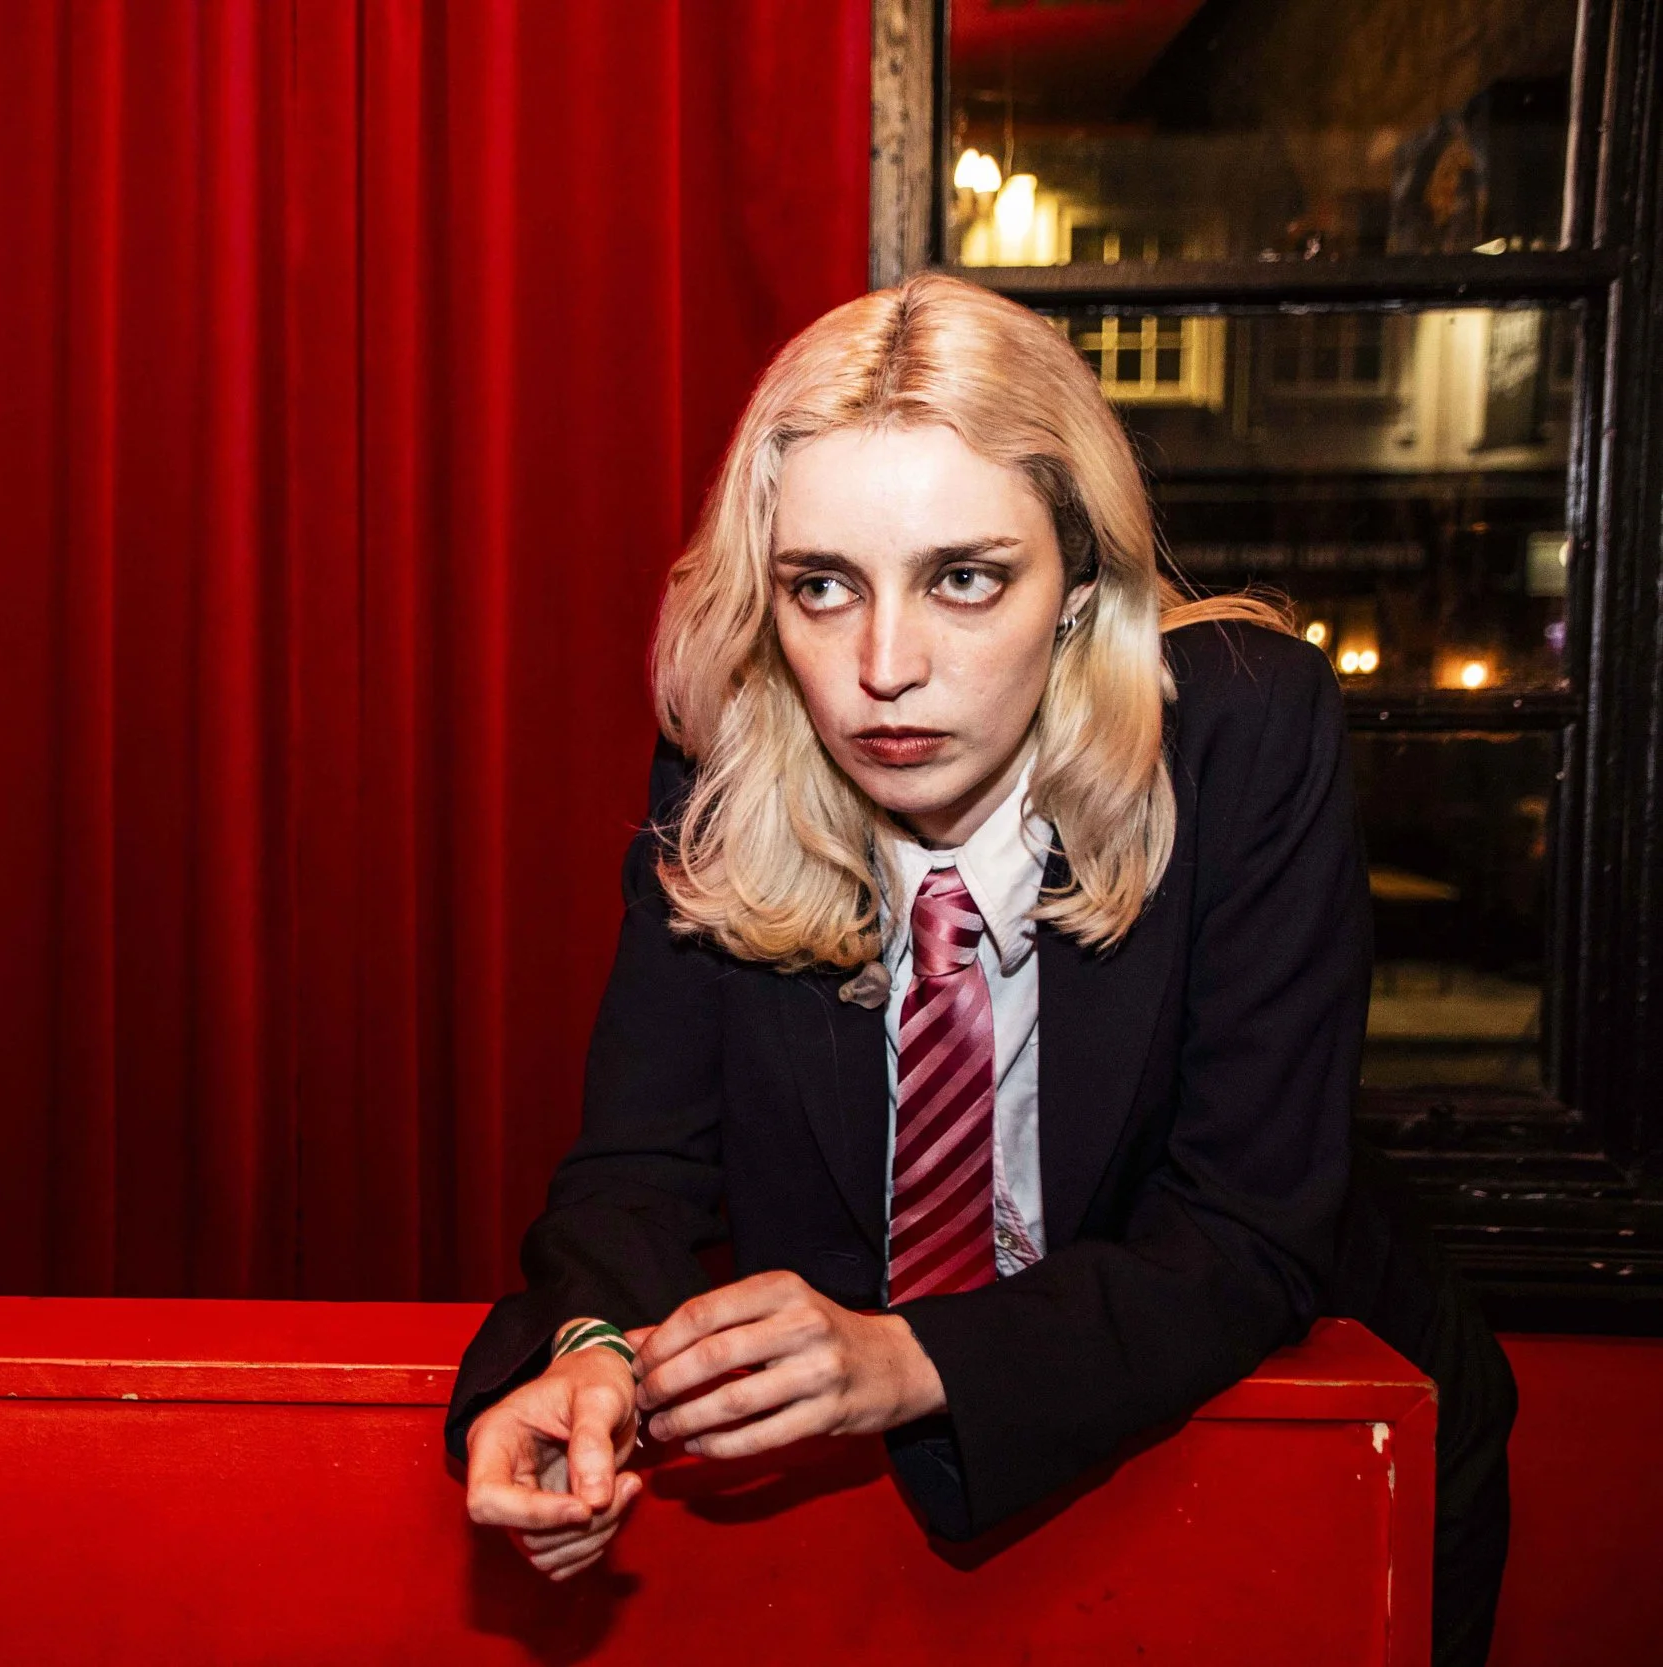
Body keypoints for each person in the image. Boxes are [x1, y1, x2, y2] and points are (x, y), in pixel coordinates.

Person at [448, 273, 1515, 1666]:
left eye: (965, 577)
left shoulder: (1245, 734)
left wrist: (911, 1358)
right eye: (822, 586)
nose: (884, 666)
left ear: (1079, 584)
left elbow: (1246, 1231)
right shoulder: (724, 766)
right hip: (900, 1519)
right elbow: (636, 1166)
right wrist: (593, 1348)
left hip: (1294, 1443)